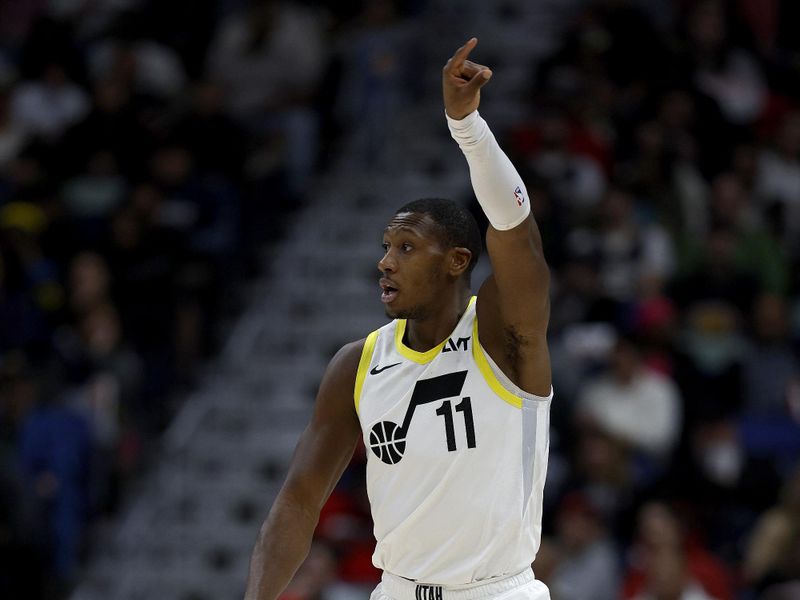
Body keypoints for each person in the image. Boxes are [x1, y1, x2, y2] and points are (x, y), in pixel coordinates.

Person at [244, 38, 553, 600]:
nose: (385, 261)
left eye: (407, 247)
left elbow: (516, 231)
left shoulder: (502, 333)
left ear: (458, 261)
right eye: (386, 246)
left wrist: (467, 129)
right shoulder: (357, 364)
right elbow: (297, 502)